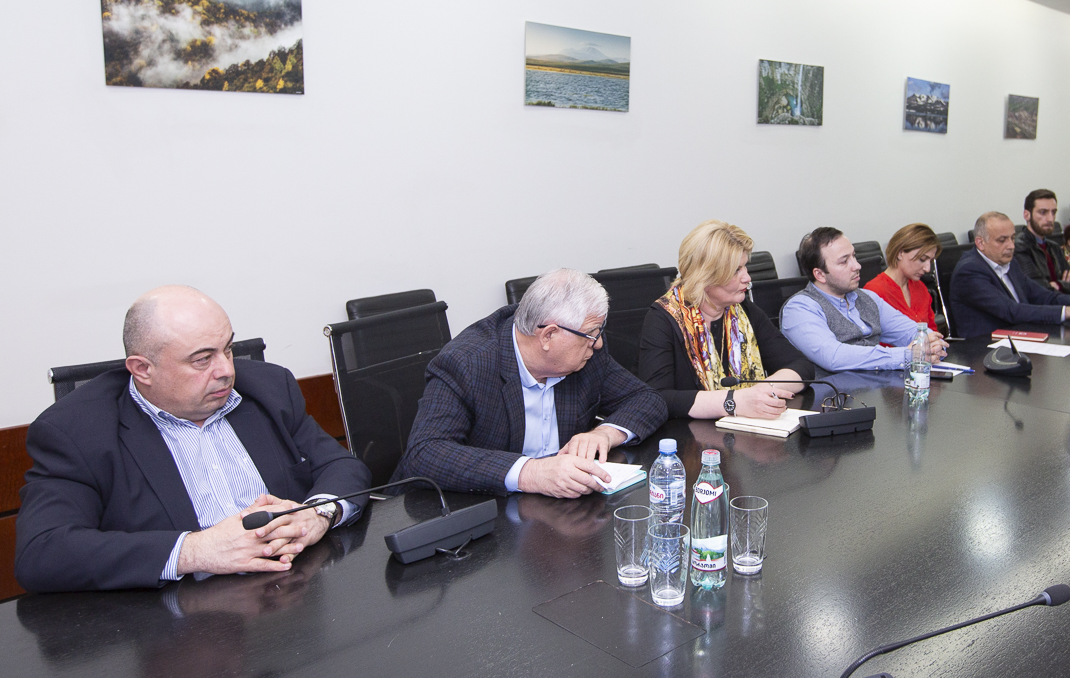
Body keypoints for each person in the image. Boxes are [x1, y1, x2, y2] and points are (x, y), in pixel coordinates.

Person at [15, 286, 372, 593]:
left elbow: (342, 466)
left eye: (228, 349)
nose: (227, 370)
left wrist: (318, 514)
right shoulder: (76, 431)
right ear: (143, 369)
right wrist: (196, 551)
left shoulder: (268, 388)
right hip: (179, 621)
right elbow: (42, 551)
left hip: (293, 596)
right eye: (202, 359)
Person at [393, 269, 667, 499]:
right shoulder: (466, 363)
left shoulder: (585, 355)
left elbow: (647, 398)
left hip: (558, 512)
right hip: (475, 513)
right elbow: (424, 453)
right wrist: (531, 473)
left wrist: (604, 433)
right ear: (548, 336)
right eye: (591, 334)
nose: (598, 344)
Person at [638, 220, 813, 420]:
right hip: (687, 434)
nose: (747, 278)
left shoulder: (742, 310)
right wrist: (735, 401)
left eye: (745, 267)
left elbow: (801, 366)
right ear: (705, 276)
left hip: (747, 429)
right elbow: (658, 397)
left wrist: (761, 392)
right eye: (736, 270)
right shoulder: (662, 319)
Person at [784, 226, 947, 373]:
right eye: (844, 261)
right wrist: (907, 355)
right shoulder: (799, 308)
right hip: (835, 394)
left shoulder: (867, 297)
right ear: (820, 274)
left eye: (854, 256)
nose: (857, 266)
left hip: (878, 387)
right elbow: (834, 357)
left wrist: (932, 345)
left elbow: (911, 331)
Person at [948, 212, 1070, 338]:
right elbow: (1011, 311)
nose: (1011, 246)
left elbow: (1043, 295)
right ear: (980, 243)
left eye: (1012, 238)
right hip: (984, 348)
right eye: (1002, 240)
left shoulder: (1009, 262)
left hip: (1020, 337)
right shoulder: (969, 271)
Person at [864, 223, 940, 330]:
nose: (927, 269)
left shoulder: (920, 287)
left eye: (930, 261)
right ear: (900, 253)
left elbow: (932, 330)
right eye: (922, 259)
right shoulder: (874, 292)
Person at [1014, 189, 1070, 298]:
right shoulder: (1019, 247)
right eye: (1043, 212)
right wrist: (1066, 285)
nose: (1050, 219)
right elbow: (1038, 291)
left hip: (1063, 304)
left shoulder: (1054, 248)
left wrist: (1058, 285)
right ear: (1027, 215)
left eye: (1053, 212)